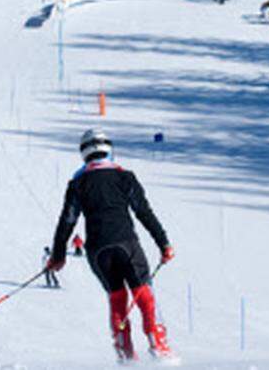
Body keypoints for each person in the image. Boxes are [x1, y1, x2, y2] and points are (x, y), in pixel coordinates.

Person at [46, 129, 175, 361]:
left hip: (97, 251)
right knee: (143, 293)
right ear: (109, 149)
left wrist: (58, 256)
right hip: (126, 243)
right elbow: (144, 212)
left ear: (84, 153)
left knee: (117, 298)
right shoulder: (124, 177)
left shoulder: (77, 183)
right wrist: (163, 243)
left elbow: (67, 221)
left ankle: (125, 354)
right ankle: (159, 346)